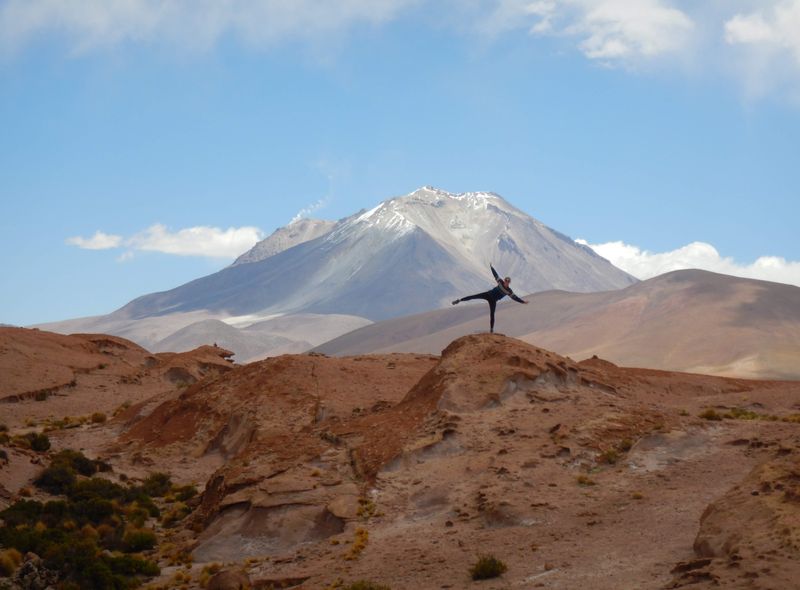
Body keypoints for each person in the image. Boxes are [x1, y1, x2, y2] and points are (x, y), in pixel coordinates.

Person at [452, 265, 528, 333]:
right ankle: (459, 300)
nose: (506, 282)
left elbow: (515, 298)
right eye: (506, 280)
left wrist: (522, 302)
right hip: (488, 294)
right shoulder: (500, 282)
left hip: (493, 301)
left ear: (509, 283)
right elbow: (496, 275)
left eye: (508, 282)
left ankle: (491, 330)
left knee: (492, 314)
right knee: (473, 296)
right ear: (504, 280)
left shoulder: (509, 291)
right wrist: (492, 268)